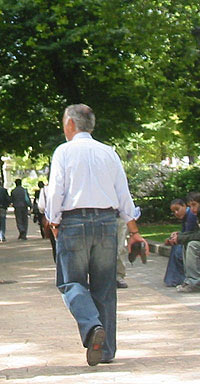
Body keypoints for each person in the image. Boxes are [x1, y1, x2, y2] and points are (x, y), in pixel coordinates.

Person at [45, 104, 148, 366]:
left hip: (74, 221)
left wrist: (53, 221)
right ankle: (106, 350)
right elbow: (123, 194)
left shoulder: (64, 152)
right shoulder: (108, 153)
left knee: (71, 283)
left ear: (70, 123)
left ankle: (92, 327)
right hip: (106, 222)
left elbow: (56, 189)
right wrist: (134, 231)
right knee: (105, 286)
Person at [163, 198, 198, 287]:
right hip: (189, 240)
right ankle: (174, 278)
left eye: (177, 209)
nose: (176, 213)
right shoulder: (186, 216)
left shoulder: (191, 215)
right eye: (173, 211)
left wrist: (178, 237)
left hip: (195, 241)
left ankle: (176, 278)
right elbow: (185, 232)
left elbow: (191, 233)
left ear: (184, 206)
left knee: (178, 249)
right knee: (175, 246)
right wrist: (176, 235)